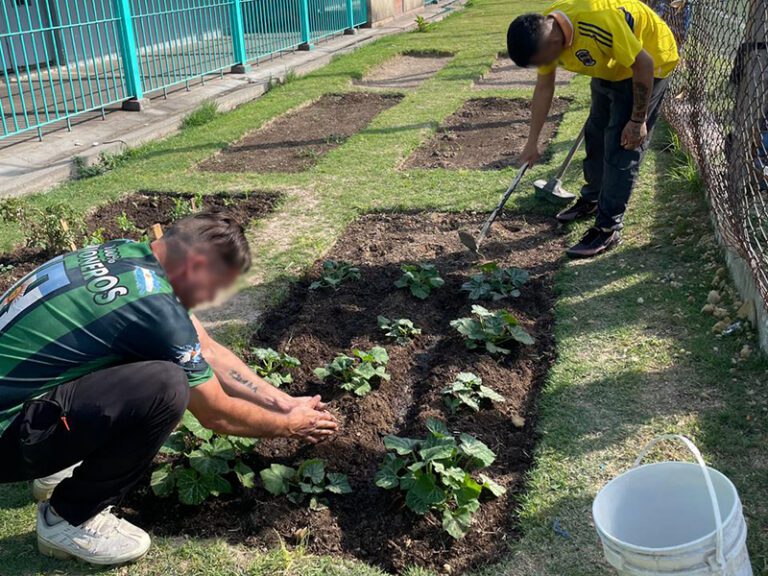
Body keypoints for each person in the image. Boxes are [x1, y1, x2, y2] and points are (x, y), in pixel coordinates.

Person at [0, 211, 338, 565]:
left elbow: (204, 347)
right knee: (167, 386)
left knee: (132, 355)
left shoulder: (125, 254)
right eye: (215, 286)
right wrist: (290, 425)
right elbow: (216, 414)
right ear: (194, 265)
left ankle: (55, 462)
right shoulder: (156, 310)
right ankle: (68, 518)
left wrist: (284, 402)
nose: (212, 299)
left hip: (19, 402)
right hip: (7, 434)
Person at [507, 0, 679, 257]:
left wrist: (636, 121)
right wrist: (533, 142)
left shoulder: (598, 23)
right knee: (596, 134)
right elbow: (544, 87)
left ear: (553, 44)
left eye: (543, 60)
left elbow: (643, 64)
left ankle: (608, 228)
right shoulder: (543, 31)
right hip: (610, 64)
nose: (547, 65)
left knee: (621, 147)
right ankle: (593, 199)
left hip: (649, 61)